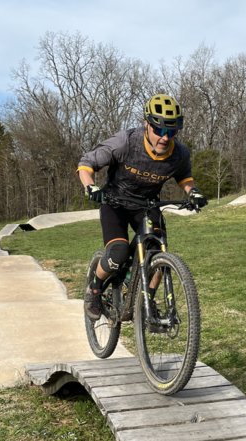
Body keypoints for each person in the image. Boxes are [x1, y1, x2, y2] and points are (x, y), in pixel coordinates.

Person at [77, 93, 207, 320]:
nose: (165, 137)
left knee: (157, 255)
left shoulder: (180, 154)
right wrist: (90, 187)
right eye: (159, 130)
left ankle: (144, 302)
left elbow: (184, 176)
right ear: (146, 124)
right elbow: (86, 164)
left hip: (147, 205)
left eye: (171, 131)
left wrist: (192, 192)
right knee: (118, 252)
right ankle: (94, 288)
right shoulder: (125, 142)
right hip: (115, 203)